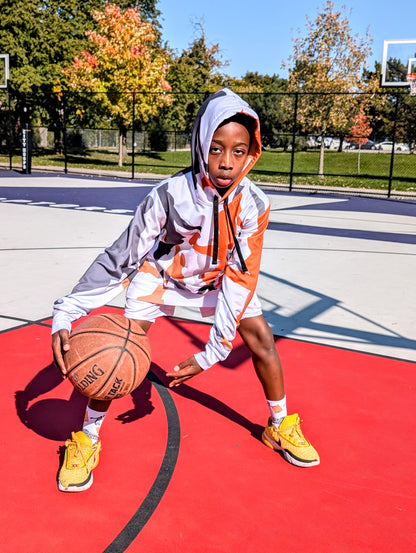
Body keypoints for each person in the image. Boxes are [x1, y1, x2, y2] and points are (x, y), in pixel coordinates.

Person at [52, 88, 319, 492]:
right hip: (163, 273)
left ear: (252, 153)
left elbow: (241, 277)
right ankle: (87, 437)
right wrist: (67, 311)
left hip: (218, 277)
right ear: (200, 145)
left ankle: (279, 424)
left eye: (238, 151)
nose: (226, 162)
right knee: (122, 345)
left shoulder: (254, 204)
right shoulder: (169, 196)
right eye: (216, 148)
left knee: (262, 337)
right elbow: (122, 256)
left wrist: (211, 354)